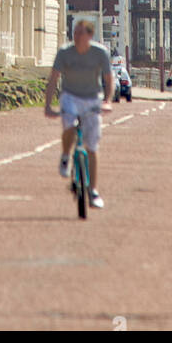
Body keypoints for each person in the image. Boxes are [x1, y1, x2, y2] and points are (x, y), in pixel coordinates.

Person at [44, 19, 113, 209]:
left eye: (81, 33)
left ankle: (93, 190)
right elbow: (54, 79)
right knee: (70, 126)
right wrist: (48, 106)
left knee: (92, 146)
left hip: (92, 98)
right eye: (75, 32)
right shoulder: (65, 52)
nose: (77, 36)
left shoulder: (100, 53)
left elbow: (108, 79)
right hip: (70, 96)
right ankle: (66, 155)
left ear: (90, 36)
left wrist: (107, 101)